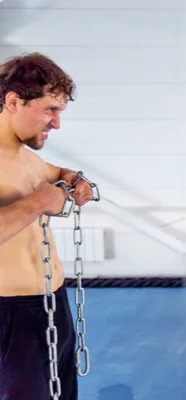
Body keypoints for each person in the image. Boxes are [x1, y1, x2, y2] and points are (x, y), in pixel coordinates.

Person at [0, 53, 95, 399]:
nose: (56, 123)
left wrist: (71, 176)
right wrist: (39, 203)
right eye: (50, 110)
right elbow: (37, 195)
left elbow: (49, 173)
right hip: (11, 316)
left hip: (53, 303)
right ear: (14, 102)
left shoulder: (25, 156)